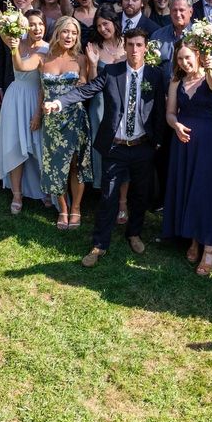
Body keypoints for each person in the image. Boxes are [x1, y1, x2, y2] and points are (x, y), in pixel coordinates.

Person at [46, 28, 169, 267]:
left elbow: (159, 112)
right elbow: (86, 90)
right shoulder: (112, 72)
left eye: (139, 45)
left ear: (145, 48)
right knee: (108, 197)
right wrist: (59, 102)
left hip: (143, 146)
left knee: (140, 195)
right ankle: (99, 244)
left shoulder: (154, 76)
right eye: (130, 45)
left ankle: (134, 233)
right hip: (115, 147)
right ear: (125, 47)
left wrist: (157, 142)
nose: (134, 50)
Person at [162, 45, 212, 275]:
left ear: (197, 55)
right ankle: (194, 238)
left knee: (205, 191)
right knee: (188, 188)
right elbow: (170, 113)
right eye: (179, 59)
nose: (184, 62)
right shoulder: (176, 82)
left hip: (207, 143)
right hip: (183, 143)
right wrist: (176, 125)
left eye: (187, 57)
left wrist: (209, 65)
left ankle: (210, 248)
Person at [0, 0, 47, 211]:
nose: (36, 28)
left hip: (36, 99)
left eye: (40, 24)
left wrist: (39, 112)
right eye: (32, 24)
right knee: (15, 146)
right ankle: (17, 195)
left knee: (39, 147)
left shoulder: (49, 49)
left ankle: (45, 190)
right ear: (26, 26)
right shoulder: (16, 41)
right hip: (15, 97)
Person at [40, 16, 93, 229]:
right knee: (56, 166)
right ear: (57, 33)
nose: (69, 36)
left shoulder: (81, 59)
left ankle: (76, 208)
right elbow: (41, 90)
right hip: (52, 121)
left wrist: (90, 69)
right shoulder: (45, 58)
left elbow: (86, 87)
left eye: (74, 33)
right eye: (65, 31)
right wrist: (37, 114)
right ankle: (63, 208)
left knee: (75, 165)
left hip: (75, 119)